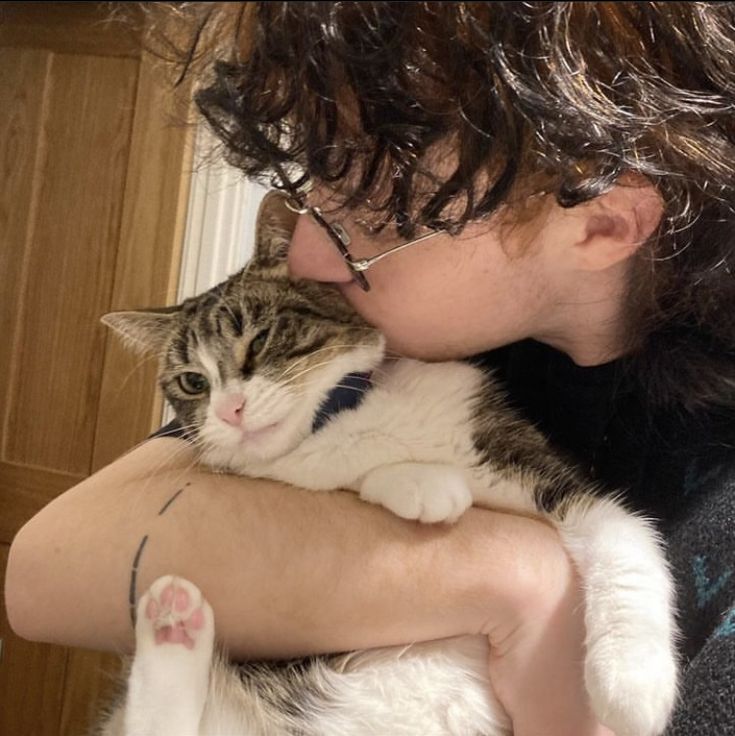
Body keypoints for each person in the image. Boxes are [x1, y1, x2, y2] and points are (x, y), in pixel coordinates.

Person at [6, 2, 735, 734]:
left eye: (372, 220)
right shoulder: (403, 338)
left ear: (601, 222)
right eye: (316, 183)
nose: (307, 259)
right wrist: (515, 579)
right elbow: (45, 570)